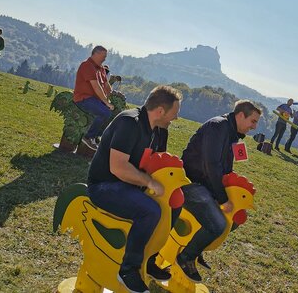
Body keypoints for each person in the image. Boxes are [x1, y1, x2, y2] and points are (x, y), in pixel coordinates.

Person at [87, 85, 182, 293]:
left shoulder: (158, 130)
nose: (176, 118)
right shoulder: (129, 122)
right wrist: (148, 182)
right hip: (105, 185)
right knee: (150, 210)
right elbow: (118, 168)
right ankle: (128, 269)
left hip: (130, 185)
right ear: (160, 111)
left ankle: (149, 258)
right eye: (175, 114)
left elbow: (157, 162)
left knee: (175, 204)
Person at [176, 100, 261, 282]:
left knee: (235, 219)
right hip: (191, 183)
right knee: (218, 225)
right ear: (240, 115)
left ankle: (196, 248)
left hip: (206, 184)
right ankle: (185, 258)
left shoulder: (232, 133)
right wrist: (222, 199)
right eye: (253, 121)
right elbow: (211, 166)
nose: (254, 127)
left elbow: (224, 168)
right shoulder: (218, 127)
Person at [73, 46, 114, 150]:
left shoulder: (101, 69)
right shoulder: (87, 66)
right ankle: (88, 137)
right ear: (96, 54)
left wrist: (110, 94)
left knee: (110, 113)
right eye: (104, 56)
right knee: (105, 112)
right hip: (83, 98)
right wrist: (106, 102)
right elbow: (96, 87)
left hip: (95, 100)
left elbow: (106, 84)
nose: (105, 58)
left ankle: (97, 137)